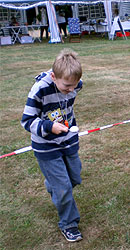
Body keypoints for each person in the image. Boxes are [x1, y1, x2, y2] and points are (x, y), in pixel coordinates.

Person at [21, 49, 83, 242]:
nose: (71, 90)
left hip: (68, 141)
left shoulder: (75, 84)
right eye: (66, 86)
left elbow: (67, 104)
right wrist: (49, 126)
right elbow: (27, 121)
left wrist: (66, 126)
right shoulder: (39, 91)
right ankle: (69, 223)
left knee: (74, 178)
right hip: (46, 146)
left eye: (74, 86)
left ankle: (52, 184)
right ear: (54, 77)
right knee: (63, 187)